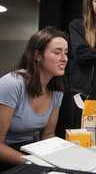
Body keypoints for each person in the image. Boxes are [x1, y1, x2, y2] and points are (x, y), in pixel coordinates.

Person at [0, 27, 68, 170]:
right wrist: (35, 163)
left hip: (31, 150)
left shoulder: (57, 91)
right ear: (37, 55)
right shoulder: (12, 84)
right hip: (6, 154)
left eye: (66, 53)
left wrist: (68, 152)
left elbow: (48, 134)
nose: (64, 59)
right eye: (57, 52)